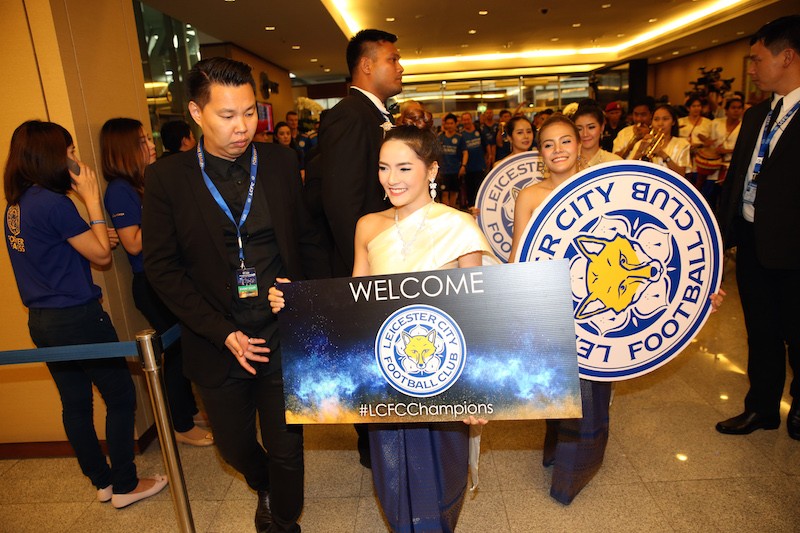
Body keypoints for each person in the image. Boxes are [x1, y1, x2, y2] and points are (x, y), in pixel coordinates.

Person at [270, 125, 496, 531]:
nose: (391, 179)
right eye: (383, 167)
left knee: (442, 478)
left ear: (431, 170)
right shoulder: (368, 226)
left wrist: (478, 390)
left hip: (444, 377)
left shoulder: (460, 226)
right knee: (392, 478)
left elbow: (476, 313)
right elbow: (354, 304)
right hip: (384, 376)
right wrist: (296, 303)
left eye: (404, 168)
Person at [142, 57, 330, 533]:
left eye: (249, 113)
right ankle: (263, 482)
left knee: (288, 445)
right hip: (217, 336)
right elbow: (162, 268)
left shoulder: (281, 162)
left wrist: (304, 294)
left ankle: (283, 520)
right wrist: (222, 331)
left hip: (281, 329)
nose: (242, 127)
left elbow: (305, 238)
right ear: (196, 112)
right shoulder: (168, 178)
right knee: (233, 445)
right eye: (227, 115)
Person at [3, 120, 167, 509]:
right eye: (70, 151)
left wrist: (95, 234)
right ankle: (125, 484)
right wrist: (92, 199)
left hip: (42, 321)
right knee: (121, 394)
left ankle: (102, 482)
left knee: (75, 403)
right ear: (52, 156)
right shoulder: (55, 202)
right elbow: (102, 257)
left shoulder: (17, 204)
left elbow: (59, 246)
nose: (76, 158)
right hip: (77, 317)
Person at [508, 115, 612, 504]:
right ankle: (556, 445)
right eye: (549, 144)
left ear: (580, 144)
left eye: (566, 141)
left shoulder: (603, 186)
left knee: (591, 386)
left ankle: (574, 471)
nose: (558, 150)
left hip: (597, 302)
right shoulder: (529, 196)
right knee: (558, 383)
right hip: (549, 302)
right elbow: (518, 254)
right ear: (540, 153)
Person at [100, 117, 212, 448]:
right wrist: (166, 214)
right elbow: (133, 243)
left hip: (169, 275)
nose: (151, 145)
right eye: (142, 141)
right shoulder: (120, 190)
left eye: (149, 139)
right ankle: (180, 424)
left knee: (184, 348)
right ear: (124, 150)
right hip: (150, 283)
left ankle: (189, 411)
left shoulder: (146, 181)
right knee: (174, 354)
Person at [319, 29, 403, 467]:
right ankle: (375, 448)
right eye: (393, 59)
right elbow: (342, 204)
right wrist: (366, 265)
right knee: (367, 354)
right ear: (367, 66)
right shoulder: (349, 116)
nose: (401, 67)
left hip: (386, 252)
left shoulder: (373, 114)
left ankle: (386, 440)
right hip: (365, 261)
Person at [715, 15, 800, 440]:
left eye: (757, 59)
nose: (751, 69)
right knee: (761, 332)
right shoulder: (757, 116)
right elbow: (736, 179)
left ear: (787, 57)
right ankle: (761, 408)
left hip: (794, 248)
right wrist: (719, 237)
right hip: (752, 241)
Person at [700, 97, 744, 210]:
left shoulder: (744, 126)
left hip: (731, 166)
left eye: (739, 108)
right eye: (733, 108)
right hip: (713, 165)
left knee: (727, 199)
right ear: (726, 110)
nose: (736, 110)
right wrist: (707, 141)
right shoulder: (716, 123)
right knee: (709, 197)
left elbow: (745, 147)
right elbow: (702, 134)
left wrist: (728, 151)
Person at [627, 104, 691, 176]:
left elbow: (682, 174)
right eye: (656, 119)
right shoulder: (641, 143)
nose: (660, 123)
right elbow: (629, 171)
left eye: (665, 119)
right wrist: (639, 151)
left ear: (673, 122)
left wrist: (663, 154)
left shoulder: (682, 144)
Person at [678, 95, 713, 187]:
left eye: (698, 106)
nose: (696, 108)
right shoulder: (680, 122)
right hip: (684, 157)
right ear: (688, 108)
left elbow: (711, 142)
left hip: (701, 160)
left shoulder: (708, 123)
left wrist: (701, 143)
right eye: (694, 106)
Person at [574, 104, 622, 168]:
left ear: (602, 127)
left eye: (591, 127)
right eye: (579, 129)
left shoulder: (614, 162)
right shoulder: (568, 162)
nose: (585, 134)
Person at [437, 113, 463, 208]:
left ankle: (452, 210)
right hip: (443, 171)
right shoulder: (440, 137)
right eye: (447, 123)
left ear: (455, 124)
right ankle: (446, 212)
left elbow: (465, 152)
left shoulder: (459, 137)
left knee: (453, 192)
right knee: (444, 193)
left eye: (451, 123)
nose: (449, 125)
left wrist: (463, 166)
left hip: (455, 170)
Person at [459, 112, 486, 207]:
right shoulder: (460, 135)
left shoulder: (479, 131)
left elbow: (486, 146)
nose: (466, 121)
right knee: (470, 192)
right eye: (464, 120)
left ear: (471, 119)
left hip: (480, 166)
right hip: (468, 168)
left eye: (468, 119)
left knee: (481, 190)